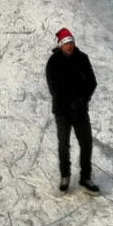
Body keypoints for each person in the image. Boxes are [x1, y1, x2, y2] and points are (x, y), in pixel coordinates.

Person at [45, 28, 98, 194]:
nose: (69, 46)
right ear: (61, 45)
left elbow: (92, 81)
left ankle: (85, 177)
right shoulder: (53, 62)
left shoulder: (82, 59)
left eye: (71, 42)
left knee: (86, 143)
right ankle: (65, 175)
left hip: (80, 110)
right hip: (62, 111)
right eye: (66, 43)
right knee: (63, 144)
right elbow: (53, 88)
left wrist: (82, 100)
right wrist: (68, 104)